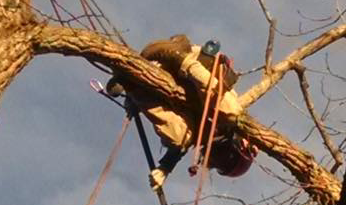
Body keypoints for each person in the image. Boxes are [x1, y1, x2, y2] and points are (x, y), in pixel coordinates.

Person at [107, 35, 256, 187]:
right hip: (186, 62)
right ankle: (176, 56)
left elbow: (180, 146)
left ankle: (133, 86)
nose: (213, 160)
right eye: (220, 162)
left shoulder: (202, 136)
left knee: (179, 136)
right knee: (228, 106)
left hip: (164, 78)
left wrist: (164, 169)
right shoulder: (232, 121)